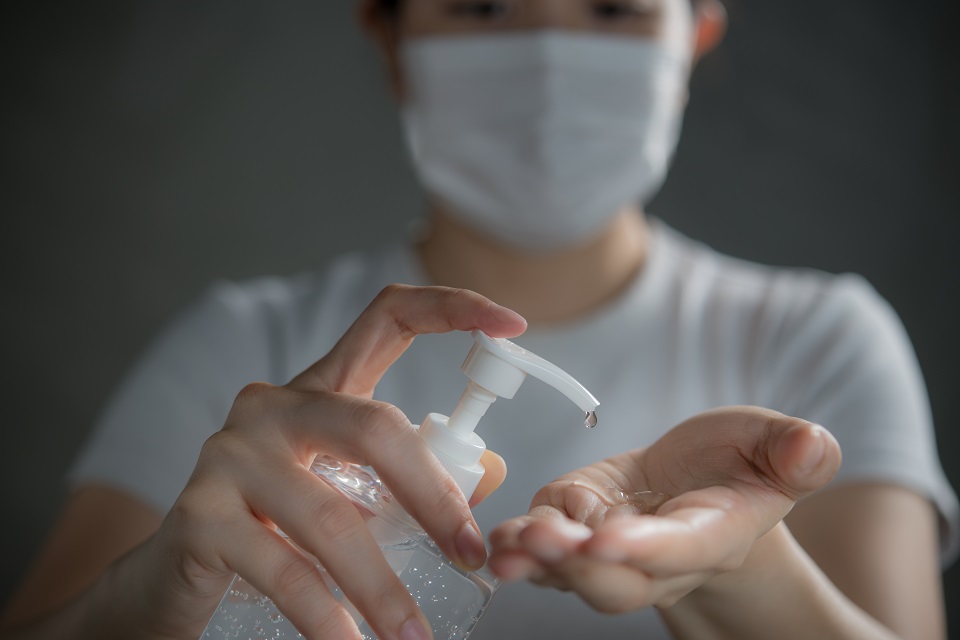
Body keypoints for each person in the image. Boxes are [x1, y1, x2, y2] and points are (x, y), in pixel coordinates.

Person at [2, 0, 956, 638]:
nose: (548, 56)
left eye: (613, 6)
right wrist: (150, 596)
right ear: (391, 39)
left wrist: (746, 570)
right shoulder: (246, 354)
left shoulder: (819, 343)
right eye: (485, 5)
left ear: (695, 33)